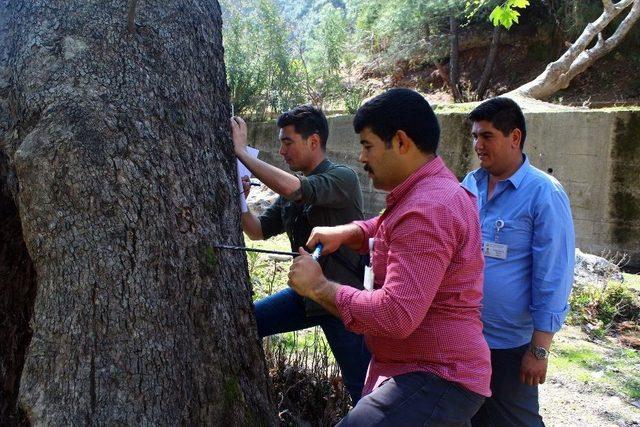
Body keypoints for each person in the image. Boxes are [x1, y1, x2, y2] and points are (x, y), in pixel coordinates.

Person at [287, 88, 491, 426]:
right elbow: (387, 226)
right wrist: (352, 232)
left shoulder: (427, 209)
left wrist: (319, 287)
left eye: (367, 146)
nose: (362, 158)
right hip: (428, 372)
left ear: (400, 142)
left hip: (435, 376)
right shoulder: (431, 191)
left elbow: (396, 314)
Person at [230, 105, 370, 404]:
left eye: (287, 142)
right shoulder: (289, 194)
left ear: (314, 142)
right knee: (247, 322)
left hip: (341, 303)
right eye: (280, 143)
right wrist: (241, 198)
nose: (281, 151)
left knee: (364, 390)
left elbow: (298, 190)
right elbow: (256, 230)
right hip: (305, 298)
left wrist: (241, 153)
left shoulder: (342, 177)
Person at [460, 97, 575, 426]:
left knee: (514, 421)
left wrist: (539, 348)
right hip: (465, 336)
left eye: (487, 136)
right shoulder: (471, 185)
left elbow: (553, 273)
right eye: (475, 137)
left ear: (514, 138)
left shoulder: (544, 193)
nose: (478, 145)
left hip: (508, 345)